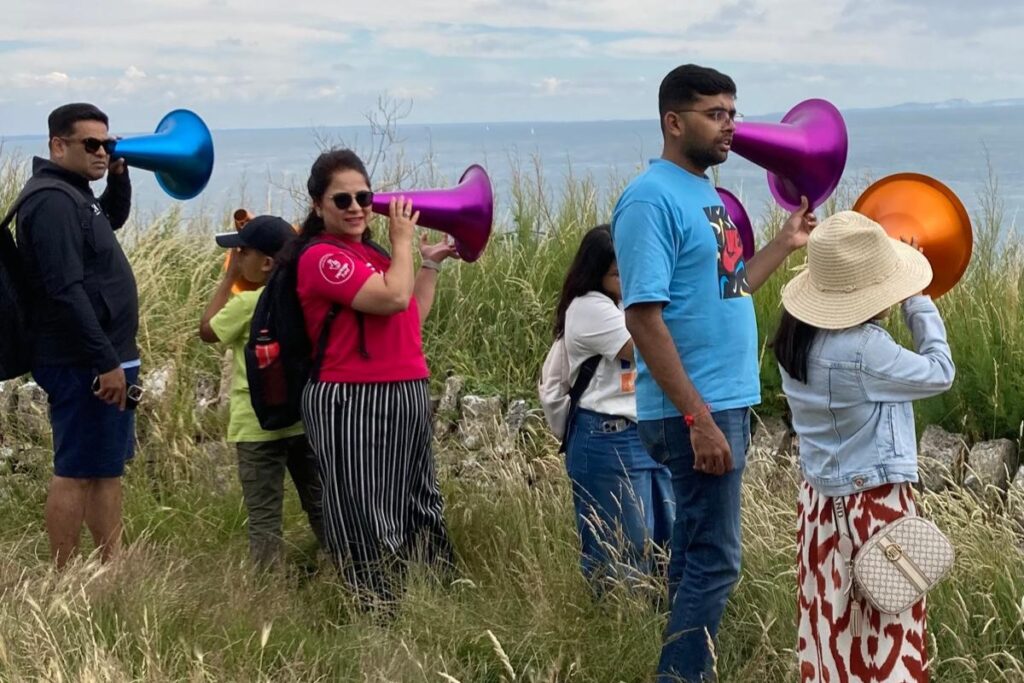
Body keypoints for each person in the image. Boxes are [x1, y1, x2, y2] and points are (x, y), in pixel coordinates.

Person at [611, 64, 817, 681]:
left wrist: (784, 243)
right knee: (717, 561)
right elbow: (642, 317)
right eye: (715, 114)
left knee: (693, 557)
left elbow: (732, 287)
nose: (731, 126)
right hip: (696, 407)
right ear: (674, 123)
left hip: (719, 400)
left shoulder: (703, 194)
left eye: (732, 112)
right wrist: (697, 417)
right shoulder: (650, 199)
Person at [774, 211, 954, 682]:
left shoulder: (795, 336)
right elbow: (940, 371)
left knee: (832, 629)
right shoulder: (863, 349)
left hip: (820, 509)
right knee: (885, 634)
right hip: (872, 510)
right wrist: (918, 304)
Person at [286, 148, 456, 601]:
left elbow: (409, 316)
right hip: (353, 396)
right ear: (318, 205)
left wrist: (429, 264)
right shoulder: (323, 257)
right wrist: (402, 240)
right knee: (364, 507)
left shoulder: (372, 255)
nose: (357, 208)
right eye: (342, 200)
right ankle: (378, 606)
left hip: (403, 387)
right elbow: (392, 298)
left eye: (364, 197)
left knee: (418, 498)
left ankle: (432, 593)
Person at [13, 103, 137, 567]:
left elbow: (109, 223)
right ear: (58, 145)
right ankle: (64, 577)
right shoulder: (51, 202)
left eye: (107, 143)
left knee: (104, 469)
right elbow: (64, 290)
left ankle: (110, 568)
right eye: (91, 144)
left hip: (103, 356)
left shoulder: (74, 194)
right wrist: (105, 361)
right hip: (82, 360)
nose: (102, 151)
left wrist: (119, 179)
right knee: (76, 472)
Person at [198, 215, 326, 568]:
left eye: (243, 252)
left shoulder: (247, 304)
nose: (236, 258)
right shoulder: (305, 298)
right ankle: (343, 569)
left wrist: (229, 279)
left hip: (255, 425)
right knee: (321, 504)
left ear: (267, 263)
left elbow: (207, 331)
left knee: (264, 517)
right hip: (303, 419)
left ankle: (268, 586)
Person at [554, 224, 674, 590]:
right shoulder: (589, 308)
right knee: (621, 555)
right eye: (618, 274)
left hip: (645, 435)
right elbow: (646, 347)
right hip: (608, 438)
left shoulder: (627, 303)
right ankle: (615, 618)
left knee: (665, 546)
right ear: (595, 274)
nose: (630, 279)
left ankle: (656, 617)